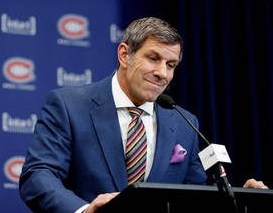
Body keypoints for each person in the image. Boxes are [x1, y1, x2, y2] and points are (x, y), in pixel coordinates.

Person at [19, 16, 268, 213]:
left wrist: (235, 198)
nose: (163, 73)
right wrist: (83, 210)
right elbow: (39, 175)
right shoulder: (68, 105)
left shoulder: (184, 122)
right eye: (153, 58)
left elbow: (194, 194)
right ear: (125, 55)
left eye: (171, 65)